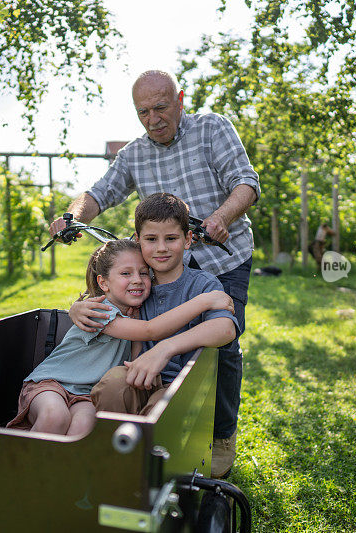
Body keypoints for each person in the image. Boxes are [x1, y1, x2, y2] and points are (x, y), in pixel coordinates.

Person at [50, 70, 259, 477]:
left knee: (222, 348)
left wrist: (220, 217)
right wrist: (71, 216)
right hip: (163, 260)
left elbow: (246, 183)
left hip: (223, 258)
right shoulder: (133, 154)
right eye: (143, 112)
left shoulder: (212, 128)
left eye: (161, 108)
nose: (153, 119)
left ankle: (220, 434)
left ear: (180, 99)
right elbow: (99, 193)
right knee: (148, 327)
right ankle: (150, 409)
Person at [6, 239, 235, 436]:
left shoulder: (134, 313)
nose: (137, 279)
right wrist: (205, 301)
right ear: (103, 283)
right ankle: (14, 470)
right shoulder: (100, 311)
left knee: (82, 430)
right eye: (126, 273)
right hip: (53, 383)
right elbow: (150, 330)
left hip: (86, 395)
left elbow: (135, 356)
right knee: (54, 418)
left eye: (143, 273)